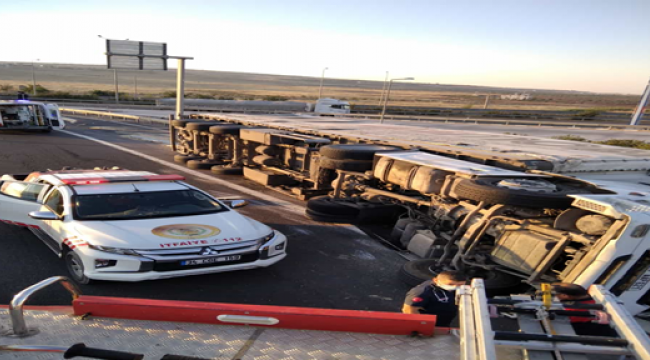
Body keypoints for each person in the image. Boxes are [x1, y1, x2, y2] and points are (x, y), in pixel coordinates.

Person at [402, 271, 467, 327]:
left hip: (444, 319)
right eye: (450, 284)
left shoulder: (448, 288)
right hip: (430, 323)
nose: (455, 287)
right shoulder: (421, 292)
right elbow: (409, 310)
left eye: (460, 285)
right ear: (435, 280)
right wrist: (421, 326)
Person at [552, 283, 618, 337]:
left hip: (598, 338)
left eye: (555, 295)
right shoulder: (595, 298)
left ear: (565, 296)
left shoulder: (572, 310)